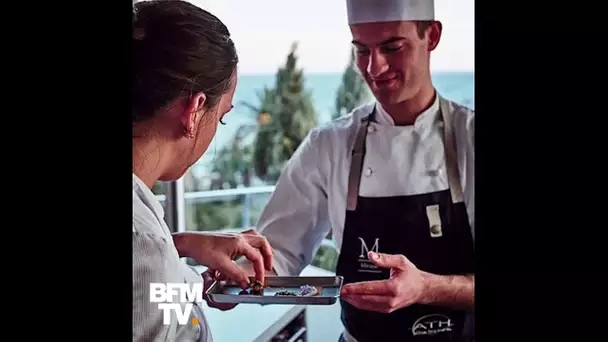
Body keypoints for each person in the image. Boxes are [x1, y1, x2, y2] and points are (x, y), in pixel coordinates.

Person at [206, 0, 475, 341]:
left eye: (392, 47)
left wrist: (427, 288)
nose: (374, 68)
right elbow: (279, 252)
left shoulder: (469, 140)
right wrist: (237, 277)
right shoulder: (329, 145)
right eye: (361, 50)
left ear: (431, 36)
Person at [132, 1, 273, 341]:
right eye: (221, 116)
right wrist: (163, 248)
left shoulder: (148, 243)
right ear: (194, 111)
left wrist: (178, 245)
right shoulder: (144, 243)